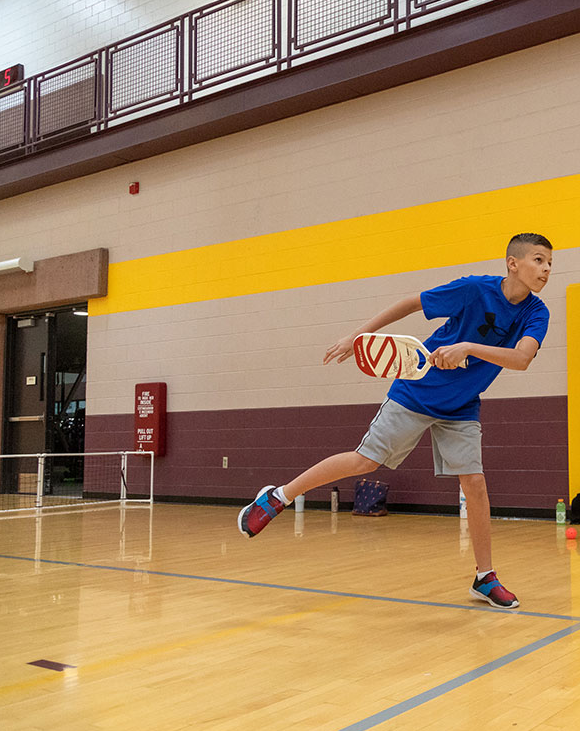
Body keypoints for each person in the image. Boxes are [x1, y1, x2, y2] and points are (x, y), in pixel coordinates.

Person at [237, 233, 554, 609]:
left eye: (550, 263)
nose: (546, 269)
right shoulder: (474, 290)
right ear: (512, 263)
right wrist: (358, 335)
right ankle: (278, 496)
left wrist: (467, 348)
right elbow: (411, 303)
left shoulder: (537, 313)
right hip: (417, 390)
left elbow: (521, 359)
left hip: (462, 404)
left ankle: (484, 578)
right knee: (364, 461)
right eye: (538, 260)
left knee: (475, 484)